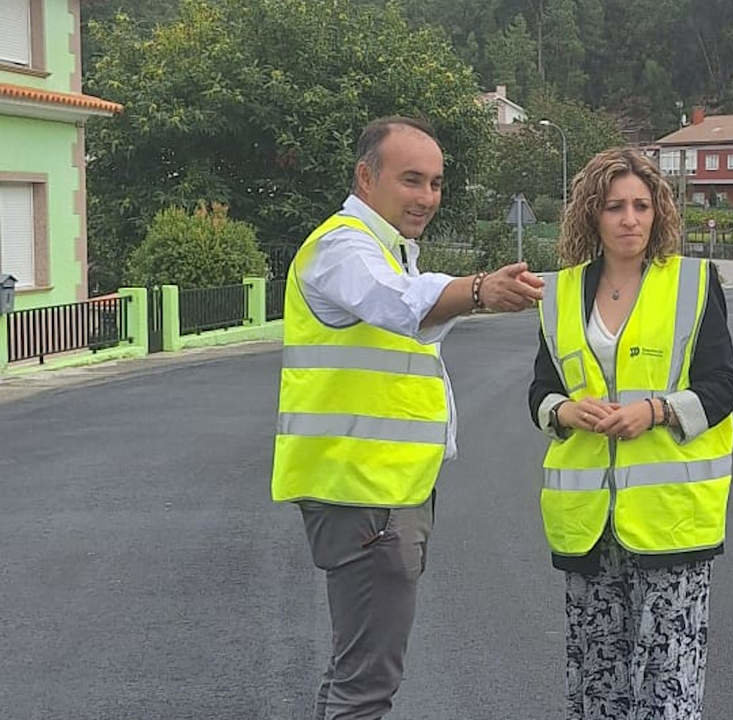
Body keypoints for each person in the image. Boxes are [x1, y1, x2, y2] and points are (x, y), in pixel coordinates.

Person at [271, 116, 543, 720]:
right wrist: (476, 292)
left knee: (356, 675)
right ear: (366, 178)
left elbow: (405, 303)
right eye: (412, 180)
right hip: (363, 493)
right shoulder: (343, 247)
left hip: (384, 490)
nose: (427, 198)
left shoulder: (388, 251)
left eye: (437, 183)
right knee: (366, 687)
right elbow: (396, 304)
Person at [528, 148, 733, 720]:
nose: (630, 219)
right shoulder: (561, 293)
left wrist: (657, 410)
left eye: (642, 205)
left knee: (668, 679)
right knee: (597, 679)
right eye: (615, 206)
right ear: (592, 216)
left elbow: (723, 386)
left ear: (658, 213)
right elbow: (540, 393)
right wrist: (565, 412)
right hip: (589, 526)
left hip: (671, 519)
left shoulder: (693, 283)